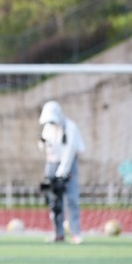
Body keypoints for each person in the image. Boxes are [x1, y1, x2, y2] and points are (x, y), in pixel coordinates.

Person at [38, 100, 86, 244]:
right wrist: (42, 144)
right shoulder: (48, 127)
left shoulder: (71, 128)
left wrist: (61, 174)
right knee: (54, 200)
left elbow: (69, 153)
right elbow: (46, 147)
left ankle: (75, 233)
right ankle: (58, 233)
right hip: (51, 164)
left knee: (71, 199)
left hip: (68, 165)